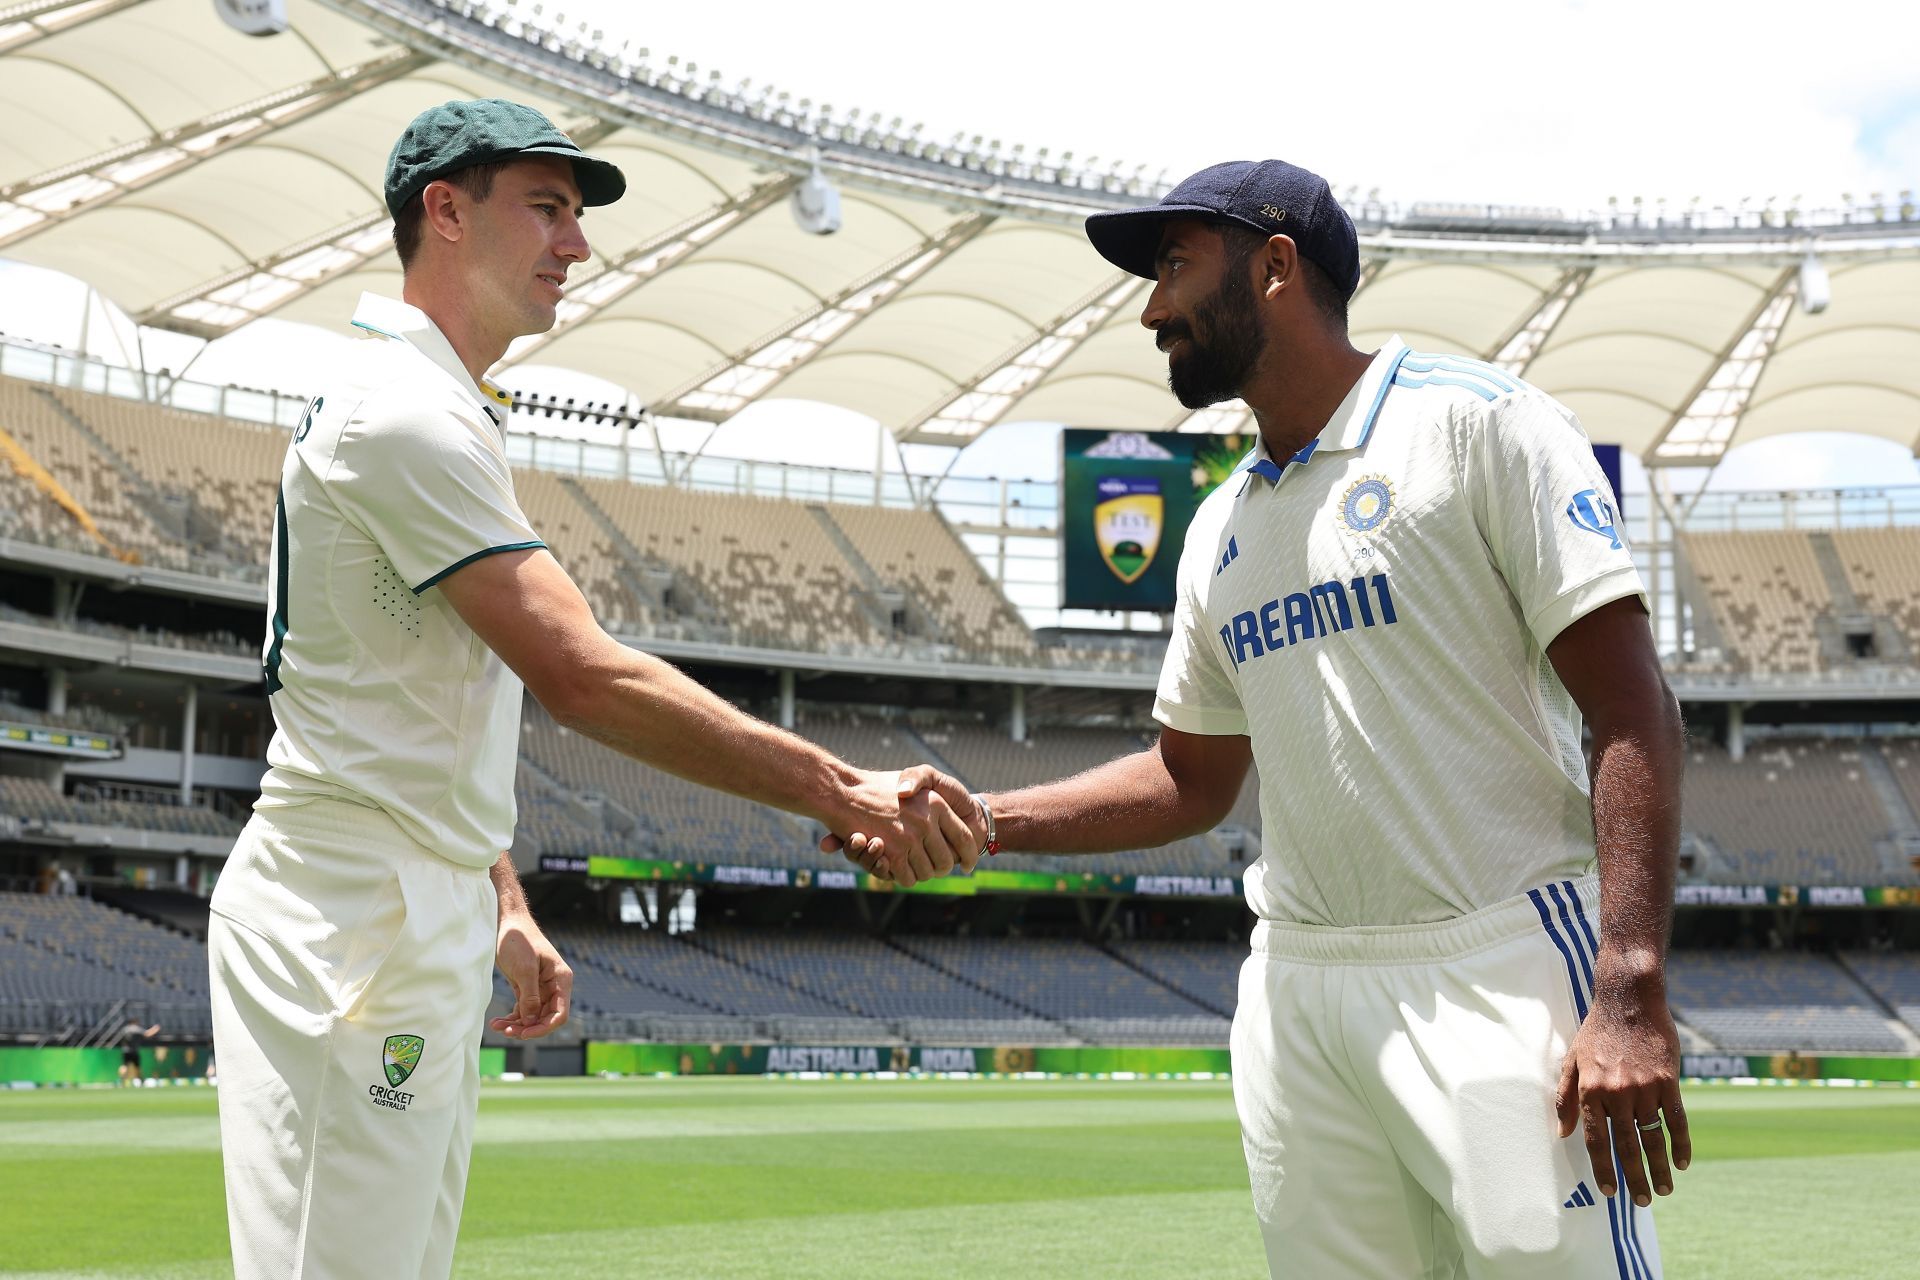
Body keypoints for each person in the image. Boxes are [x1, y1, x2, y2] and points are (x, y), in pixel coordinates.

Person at [837, 160, 1688, 1278]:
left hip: (1494, 969)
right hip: (1298, 995)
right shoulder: (1222, 525)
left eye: (1176, 266)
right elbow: (1192, 778)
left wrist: (1628, 981)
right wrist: (983, 818)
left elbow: (1635, 711)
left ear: (1276, 267)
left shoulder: (1481, 426)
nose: (1151, 307)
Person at [208, 98, 982, 1280]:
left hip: (405, 895)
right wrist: (844, 786)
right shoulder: (404, 411)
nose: (577, 243)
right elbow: (580, 673)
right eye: (549, 208)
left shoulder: (432, 405)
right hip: (353, 909)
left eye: (577, 216)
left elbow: (427, 699)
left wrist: (499, 893)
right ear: (447, 211)